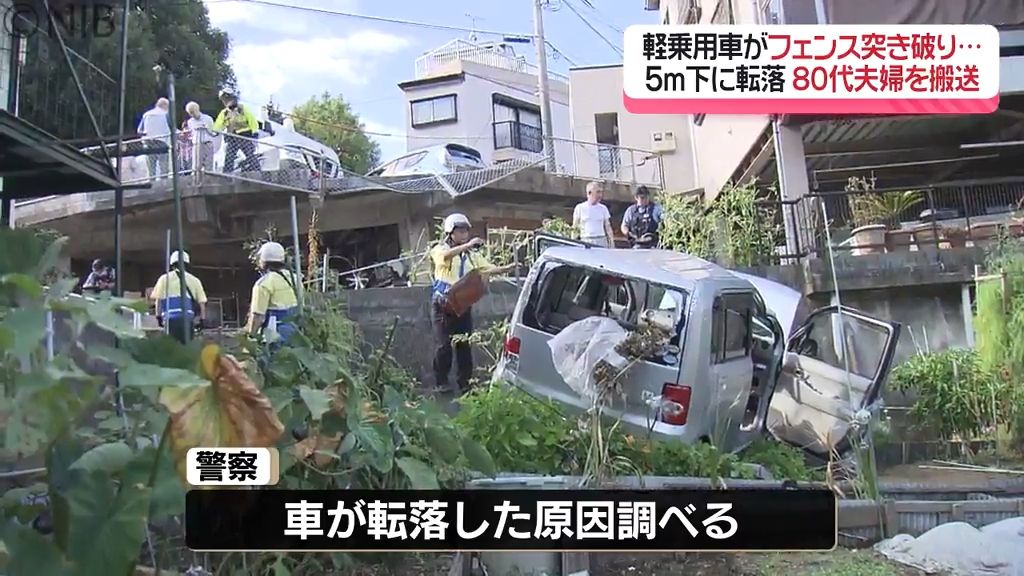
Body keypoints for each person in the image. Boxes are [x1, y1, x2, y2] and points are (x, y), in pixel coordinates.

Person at [431, 213, 516, 393]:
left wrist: (508, 268)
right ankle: (441, 382)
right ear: (450, 233)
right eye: (460, 231)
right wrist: (467, 246)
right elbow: (444, 257)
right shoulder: (440, 249)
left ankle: (465, 383)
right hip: (443, 304)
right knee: (444, 345)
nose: (464, 234)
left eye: (466, 231)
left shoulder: (471, 256)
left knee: (465, 344)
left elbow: (488, 268)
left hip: (462, 305)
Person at [245, 241, 298, 346]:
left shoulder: (264, 283)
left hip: (274, 335)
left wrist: (251, 337)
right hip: (296, 333)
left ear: (263, 261)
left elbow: (258, 316)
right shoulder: (295, 278)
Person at [151, 251, 207, 344]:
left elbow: (158, 300)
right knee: (187, 349)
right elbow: (202, 303)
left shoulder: (164, 279)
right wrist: (202, 320)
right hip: (187, 321)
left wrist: (158, 317)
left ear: (172, 264)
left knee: (171, 349)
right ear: (187, 264)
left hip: (170, 320)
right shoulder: (195, 280)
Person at [212, 88, 261, 173]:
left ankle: (257, 171)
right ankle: (227, 173)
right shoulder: (224, 113)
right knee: (229, 156)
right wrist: (215, 131)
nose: (225, 102)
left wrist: (255, 131)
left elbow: (252, 120)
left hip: (244, 135)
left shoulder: (242, 108)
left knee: (249, 153)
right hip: (232, 136)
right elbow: (218, 124)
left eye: (226, 99)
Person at [572, 181, 615, 247]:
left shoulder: (603, 208)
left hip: (601, 239)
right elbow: (575, 226)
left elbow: (608, 227)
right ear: (589, 193)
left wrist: (611, 242)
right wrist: (573, 242)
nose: (600, 195)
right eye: (598, 192)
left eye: (601, 192)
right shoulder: (580, 208)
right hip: (586, 240)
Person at [137, 97, 171, 179]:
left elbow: (139, 130)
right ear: (165, 106)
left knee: (151, 168)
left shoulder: (146, 114)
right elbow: (172, 128)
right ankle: (164, 185)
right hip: (162, 142)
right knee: (164, 167)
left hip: (148, 142)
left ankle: (151, 185)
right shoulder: (166, 114)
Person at [184, 101, 217, 172]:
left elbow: (211, 132)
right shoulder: (190, 122)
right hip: (196, 144)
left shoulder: (208, 119)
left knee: (208, 165)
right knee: (196, 166)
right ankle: (196, 181)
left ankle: (208, 181)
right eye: (190, 113)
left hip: (207, 143)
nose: (192, 114)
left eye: (193, 112)